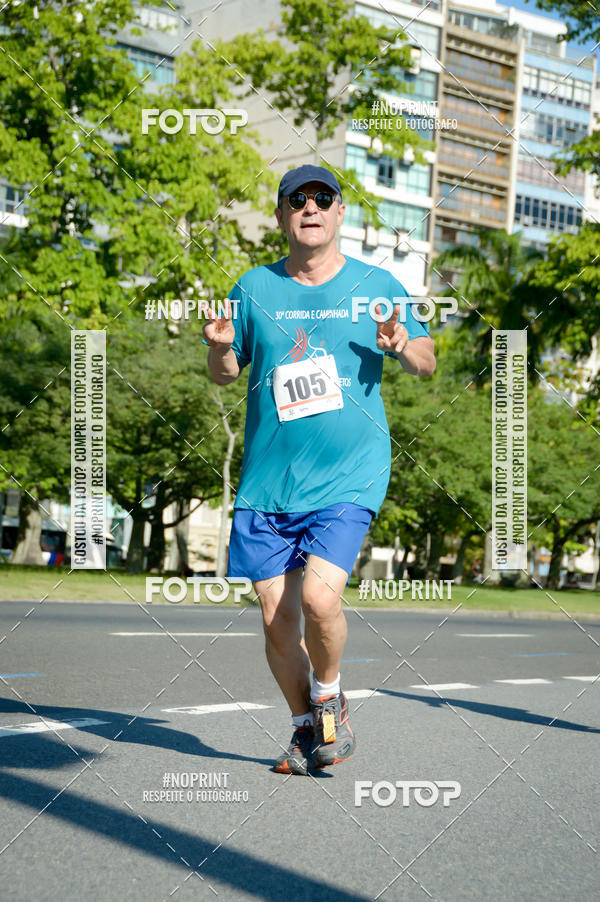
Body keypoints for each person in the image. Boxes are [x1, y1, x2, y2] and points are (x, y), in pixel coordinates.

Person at [203, 164, 435, 775]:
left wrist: (400, 344)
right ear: (281, 215)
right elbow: (226, 374)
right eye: (296, 200)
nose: (310, 207)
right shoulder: (251, 289)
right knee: (277, 620)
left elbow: (427, 361)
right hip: (268, 482)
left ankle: (329, 693)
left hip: (349, 475)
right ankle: (308, 728)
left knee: (318, 597)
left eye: (322, 198)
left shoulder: (376, 284)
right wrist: (220, 346)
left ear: (339, 213)